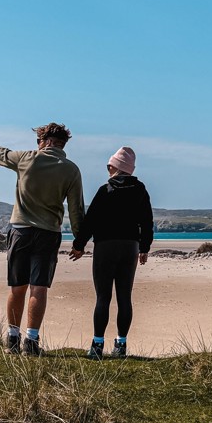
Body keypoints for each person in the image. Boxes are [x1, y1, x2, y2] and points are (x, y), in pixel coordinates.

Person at [0, 122, 84, 356]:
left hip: (20, 231)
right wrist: (79, 241)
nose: (37, 146)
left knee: (17, 287)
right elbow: (76, 209)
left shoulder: (26, 159)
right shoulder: (71, 170)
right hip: (48, 233)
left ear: (46, 142)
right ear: (61, 144)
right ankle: (31, 342)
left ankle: (12, 339)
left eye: (39, 141)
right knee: (39, 288)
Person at [69, 146, 153, 359]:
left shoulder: (105, 190)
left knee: (103, 297)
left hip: (105, 247)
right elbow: (147, 222)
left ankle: (97, 345)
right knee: (125, 296)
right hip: (130, 246)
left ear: (114, 167)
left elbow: (90, 221)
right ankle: (121, 345)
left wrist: (79, 245)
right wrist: (144, 248)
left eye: (109, 166)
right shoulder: (140, 190)